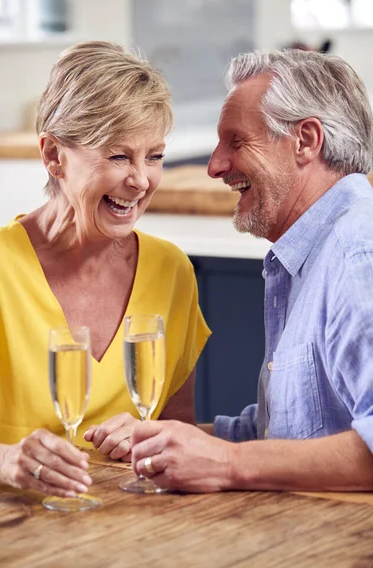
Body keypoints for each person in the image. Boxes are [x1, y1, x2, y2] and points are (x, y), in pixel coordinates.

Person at [0, 41, 210, 498]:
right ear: (53, 155)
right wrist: (2, 460)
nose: (140, 180)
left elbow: (179, 435)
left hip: (126, 535)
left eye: (154, 156)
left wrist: (149, 441)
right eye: (118, 156)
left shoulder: (171, 271)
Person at [130, 48, 373, 493]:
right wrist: (171, 441)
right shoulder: (309, 253)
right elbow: (284, 433)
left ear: (305, 141)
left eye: (236, 141)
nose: (214, 165)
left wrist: (228, 462)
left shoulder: (359, 255)